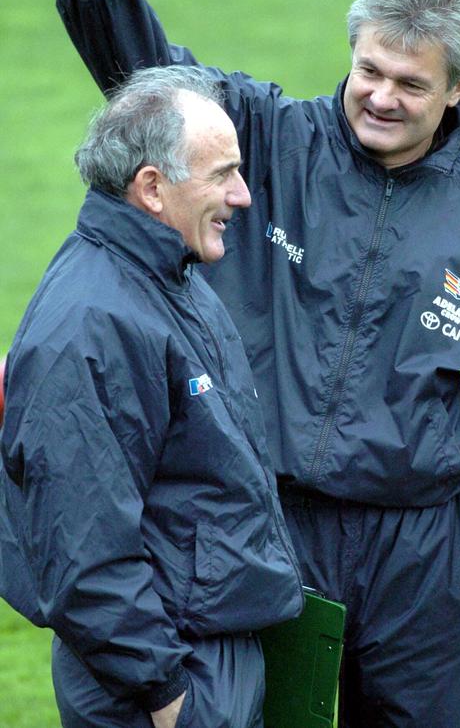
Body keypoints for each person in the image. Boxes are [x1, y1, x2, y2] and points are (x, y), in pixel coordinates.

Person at [24, 0, 460, 726]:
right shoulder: (265, 139)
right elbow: (151, 91)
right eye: (369, 69)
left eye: (411, 84)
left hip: (420, 552)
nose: (380, 96)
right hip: (260, 526)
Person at [0, 65, 304, 728]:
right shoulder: (92, 322)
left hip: (204, 648)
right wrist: (168, 696)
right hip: (160, 677)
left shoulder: (169, 279)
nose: (244, 195)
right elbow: (84, 550)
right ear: (153, 189)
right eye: (223, 173)